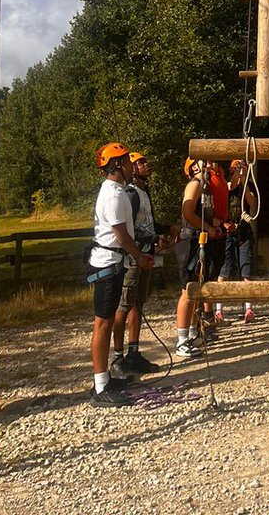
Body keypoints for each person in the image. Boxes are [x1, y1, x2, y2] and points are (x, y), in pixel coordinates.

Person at [87, 143, 153, 407]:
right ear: (116, 165)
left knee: (105, 319)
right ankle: (101, 386)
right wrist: (140, 257)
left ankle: (104, 379)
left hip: (114, 261)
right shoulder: (113, 195)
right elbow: (122, 236)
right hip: (108, 263)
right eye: (126, 161)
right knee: (102, 323)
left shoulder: (117, 191)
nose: (130, 165)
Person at [111, 151, 168, 377]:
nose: (147, 164)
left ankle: (133, 353)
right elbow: (130, 230)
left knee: (138, 305)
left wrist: (166, 229)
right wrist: (153, 238)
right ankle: (118, 358)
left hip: (146, 256)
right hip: (132, 257)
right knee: (124, 305)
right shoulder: (131, 194)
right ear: (133, 169)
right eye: (141, 162)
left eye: (146, 161)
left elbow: (148, 224)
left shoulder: (145, 192)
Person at [173, 158, 225, 359]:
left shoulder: (206, 187)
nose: (210, 163)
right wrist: (209, 228)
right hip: (190, 242)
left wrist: (216, 226)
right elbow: (188, 213)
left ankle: (193, 333)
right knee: (188, 291)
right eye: (204, 160)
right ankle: (181, 341)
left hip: (200, 240)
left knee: (196, 291)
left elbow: (204, 215)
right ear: (194, 166)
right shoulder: (195, 184)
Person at [215, 159, 259, 323]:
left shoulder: (249, 186)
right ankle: (218, 310)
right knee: (224, 270)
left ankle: (248, 309)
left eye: (243, 168)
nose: (241, 171)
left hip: (243, 231)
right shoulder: (226, 185)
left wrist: (244, 181)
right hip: (227, 231)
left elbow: (252, 202)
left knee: (246, 269)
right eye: (237, 168)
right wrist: (237, 176)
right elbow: (230, 188)